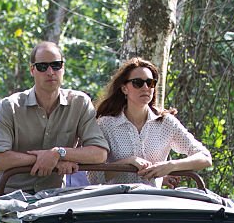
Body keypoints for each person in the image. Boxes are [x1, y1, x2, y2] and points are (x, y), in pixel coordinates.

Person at [0, 41, 109, 223]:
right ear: (32, 70)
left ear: (63, 68)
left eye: (56, 65)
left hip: (53, 200)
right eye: (43, 67)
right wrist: (47, 159)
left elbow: (99, 153)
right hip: (7, 196)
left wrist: (58, 153)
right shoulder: (10, 106)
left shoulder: (80, 103)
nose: (50, 72)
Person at [88, 58, 211, 187]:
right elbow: (93, 177)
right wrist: (128, 162)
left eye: (150, 83)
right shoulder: (105, 124)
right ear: (124, 88)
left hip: (153, 202)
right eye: (138, 83)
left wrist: (170, 166)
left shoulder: (166, 123)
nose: (146, 87)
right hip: (116, 201)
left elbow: (205, 157)